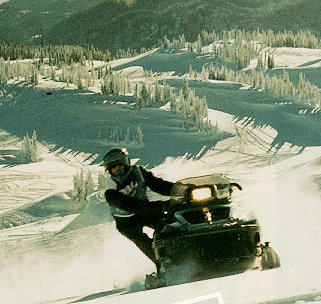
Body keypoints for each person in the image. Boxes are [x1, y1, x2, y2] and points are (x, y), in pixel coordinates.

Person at [103, 147, 176, 271]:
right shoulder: (110, 190)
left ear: (127, 164)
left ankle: (181, 250)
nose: (119, 171)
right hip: (126, 222)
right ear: (110, 172)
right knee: (144, 242)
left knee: (167, 227)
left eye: (121, 167)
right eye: (115, 169)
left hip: (146, 211)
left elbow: (158, 185)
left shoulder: (139, 173)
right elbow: (131, 205)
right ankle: (162, 265)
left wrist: (177, 189)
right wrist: (161, 206)